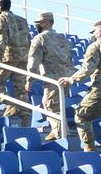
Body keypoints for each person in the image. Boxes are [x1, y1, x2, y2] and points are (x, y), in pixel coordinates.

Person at [58, 19, 101, 154]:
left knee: (81, 115)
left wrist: (71, 79)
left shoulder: (95, 46)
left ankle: (89, 150)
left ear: (98, 32)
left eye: (94, 31)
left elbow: (87, 70)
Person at [27, 11, 75, 140]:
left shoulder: (40, 38)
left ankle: (60, 135)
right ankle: (61, 131)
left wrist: (29, 80)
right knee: (57, 105)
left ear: (47, 23)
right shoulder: (62, 38)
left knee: (50, 104)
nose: (38, 25)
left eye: (40, 23)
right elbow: (70, 59)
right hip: (66, 77)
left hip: (53, 78)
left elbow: (33, 61)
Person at [0, 0, 32, 125]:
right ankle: (25, 121)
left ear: (0, 6)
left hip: (9, 58)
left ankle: (13, 105)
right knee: (21, 90)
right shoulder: (22, 20)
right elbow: (29, 40)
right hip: (23, 59)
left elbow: (1, 40)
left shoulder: (3, 18)